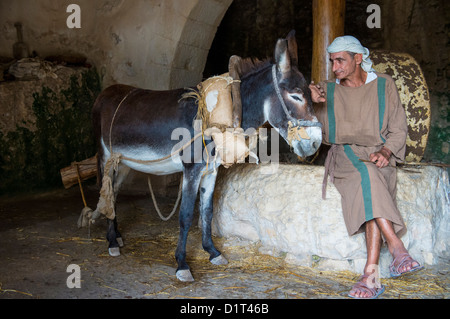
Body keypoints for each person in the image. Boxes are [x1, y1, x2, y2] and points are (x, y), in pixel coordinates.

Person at [309, 36, 423, 299]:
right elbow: (313, 128)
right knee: (369, 176)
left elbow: (398, 128)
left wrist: (386, 151)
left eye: (340, 60)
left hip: (379, 155)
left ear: (358, 59)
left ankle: (371, 275)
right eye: (332, 61)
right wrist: (312, 100)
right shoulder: (328, 90)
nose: (334, 66)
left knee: (372, 185)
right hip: (346, 154)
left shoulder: (384, 85)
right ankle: (396, 247)